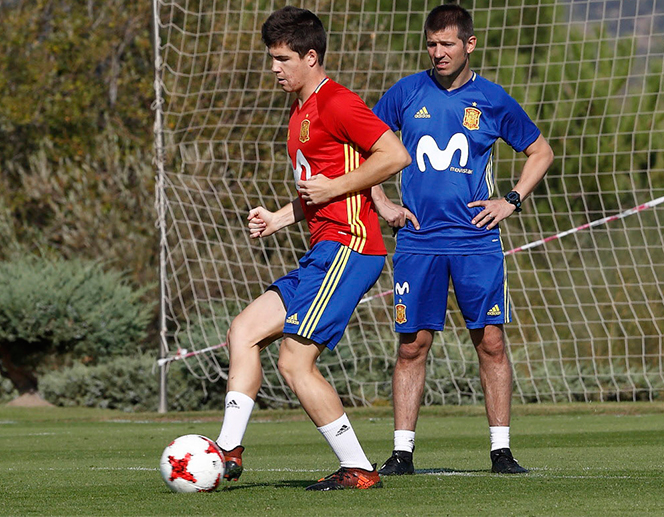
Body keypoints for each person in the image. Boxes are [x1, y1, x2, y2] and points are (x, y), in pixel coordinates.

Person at [213, 6, 411, 491]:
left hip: (352, 246)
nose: (274, 68)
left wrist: (332, 189)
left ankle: (360, 470)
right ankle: (229, 450)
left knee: (294, 361)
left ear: (311, 56)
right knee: (243, 330)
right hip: (322, 250)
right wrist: (280, 217)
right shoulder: (299, 111)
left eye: (282, 58)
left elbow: (395, 154)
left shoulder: (337, 102)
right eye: (271, 58)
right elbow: (319, 189)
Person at [370, 4, 554, 475]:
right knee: (412, 344)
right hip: (418, 240)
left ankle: (501, 452)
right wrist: (382, 203)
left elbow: (540, 150)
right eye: (431, 44)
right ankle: (402, 454)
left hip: (476, 241)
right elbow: (361, 146)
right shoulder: (405, 92)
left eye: (447, 44)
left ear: (469, 44)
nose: (438, 53)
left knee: (490, 341)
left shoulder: (491, 99)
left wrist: (510, 200)